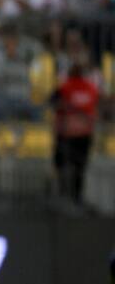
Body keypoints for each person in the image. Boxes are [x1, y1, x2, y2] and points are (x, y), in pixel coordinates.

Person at [52, 64, 98, 206]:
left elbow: (52, 102)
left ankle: (64, 193)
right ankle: (77, 196)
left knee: (64, 164)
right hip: (84, 133)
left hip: (67, 133)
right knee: (80, 167)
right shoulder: (91, 87)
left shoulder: (65, 87)